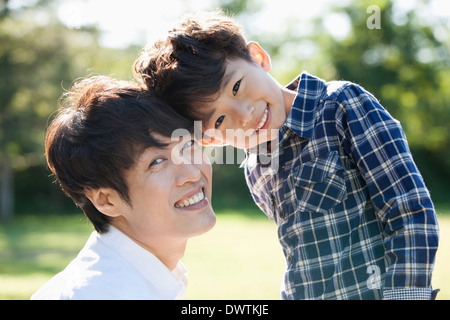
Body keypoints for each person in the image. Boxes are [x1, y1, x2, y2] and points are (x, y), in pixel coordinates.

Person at [133, 10, 440, 300]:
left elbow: (409, 212)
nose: (245, 114)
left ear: (258, 58)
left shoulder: (342, 106)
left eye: (237, 87)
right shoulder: (256, 169)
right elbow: (302, 256)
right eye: (220, 119)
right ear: (211, 138)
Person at [31, 76, 216, 300]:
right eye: (156, 162)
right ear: (106, 200)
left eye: (188, 145)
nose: (193, 173)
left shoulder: (139, 279)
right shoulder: (101, 293)